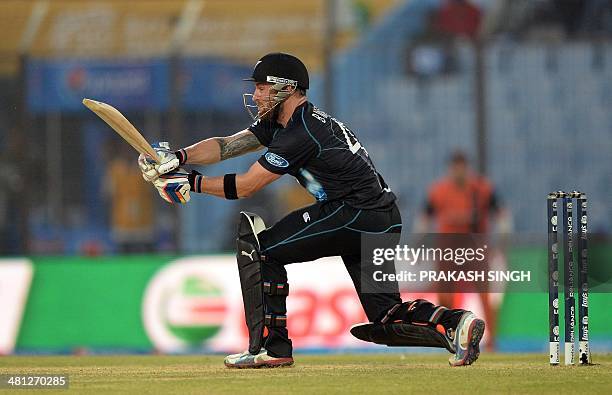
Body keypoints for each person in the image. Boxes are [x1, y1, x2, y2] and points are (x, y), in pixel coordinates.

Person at [138, 53, 485, 368]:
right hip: (381, 218)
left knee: (263, 249)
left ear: (285, 89)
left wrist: (190, 184)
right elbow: (228, 146)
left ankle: (270, 349)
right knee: (386, 315)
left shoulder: (301, 131)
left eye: (262, 87)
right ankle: (457, 324)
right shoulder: (286, 123)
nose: (256, 95)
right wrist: (178, 157)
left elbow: (247, 186)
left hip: (353, 213)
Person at [414, 150, 511, 350]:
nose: (459, 170)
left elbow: (501, 214)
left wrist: (501, 241)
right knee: (445, 296)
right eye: (455, 166)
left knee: (484, 295)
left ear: (467, 167)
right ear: (451, 168)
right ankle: (447, 337)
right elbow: (425, 217)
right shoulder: (439, 190)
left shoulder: (482, 189)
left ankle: (492, 341)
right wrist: (418, 243)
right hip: (448, 250)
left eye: (462, 166)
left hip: (475, 250)